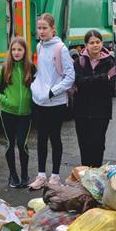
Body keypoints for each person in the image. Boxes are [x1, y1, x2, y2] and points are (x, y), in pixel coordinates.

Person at [28, 13, 75, 190]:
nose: (41, 31)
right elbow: (40, 72)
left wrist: (52, 91)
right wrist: (36, 87)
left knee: (55, 138)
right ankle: (41, 175)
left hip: (56, 102)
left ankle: (55, 176)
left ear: (52, 29)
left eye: (44, 28)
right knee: (41, 138)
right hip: (39, 100)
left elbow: (70, 77)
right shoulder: (39, 46)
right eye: (39, 28)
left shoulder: (60, 48)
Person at [0, 37, 34, 187]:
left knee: (22, 143)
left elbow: (39, 86)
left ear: (25, 51)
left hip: (25, 113)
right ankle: (13, 175)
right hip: (7, 112)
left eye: (19, 49)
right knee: (10, 143)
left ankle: (25, 175)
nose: (16, 52)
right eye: (13, 49)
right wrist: (5, 101)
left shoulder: (31, 68)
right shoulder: (4, 68)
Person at [72, 30, 116, 167]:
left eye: (98, 42)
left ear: (102, 43)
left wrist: (88, 82)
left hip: (101, 112)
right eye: (91, 43)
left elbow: (110, 88)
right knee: (84, 145)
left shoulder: (110, 61)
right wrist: (102, 78)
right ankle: (85, 175)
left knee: (97, 144)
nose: (95, 45)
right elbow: (79, 82)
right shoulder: (79, 62)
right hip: (82, 112)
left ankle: (96, 175)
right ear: (86, 45)